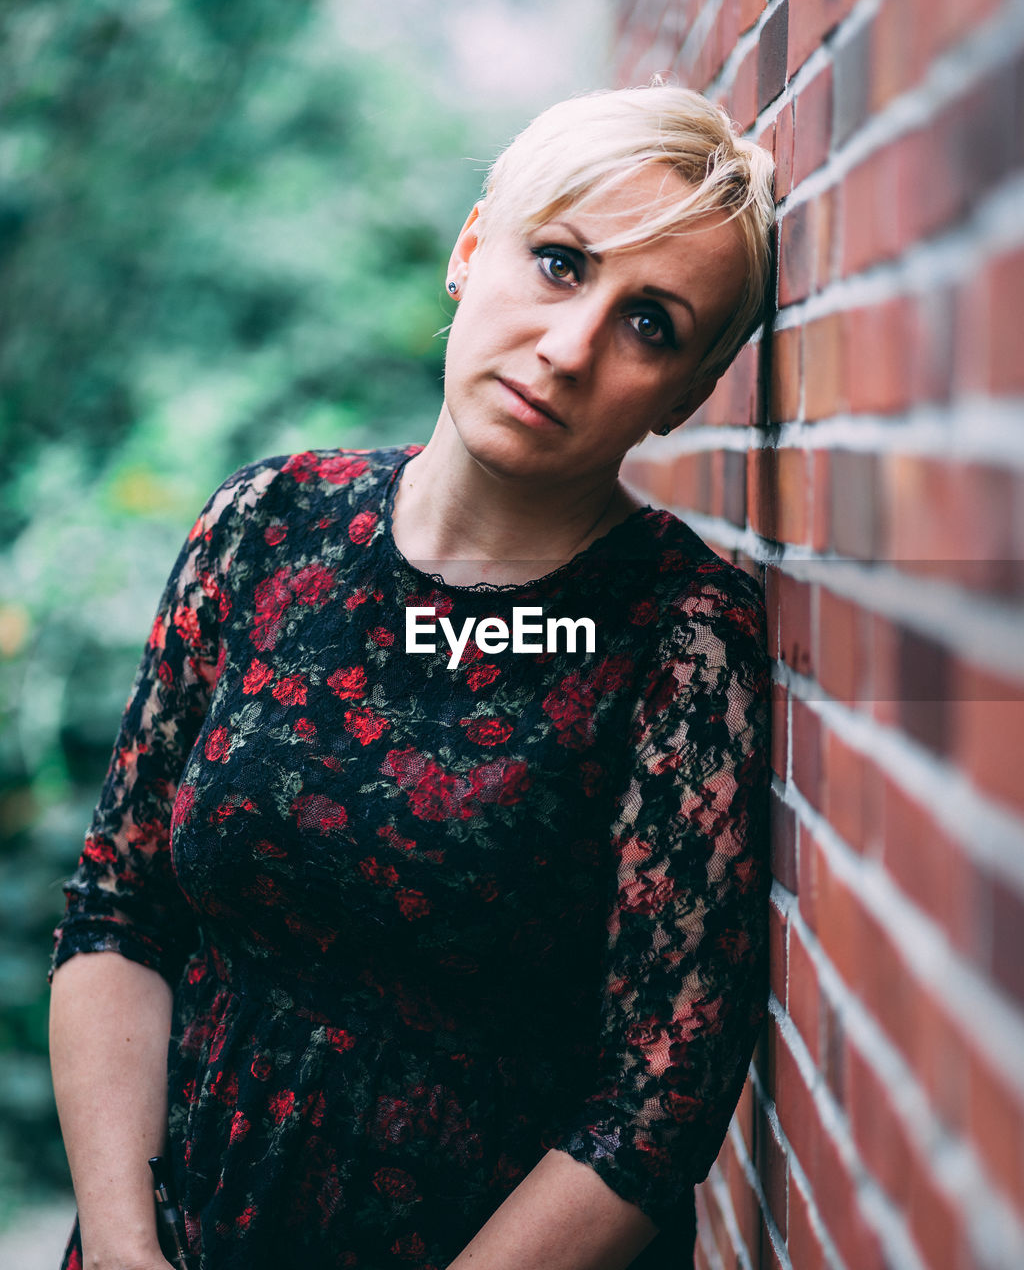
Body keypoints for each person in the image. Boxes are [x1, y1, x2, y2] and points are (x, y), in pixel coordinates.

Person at [48, 83, 776, 1270]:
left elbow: (656, 1102)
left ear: (688, 396)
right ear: (470, 246)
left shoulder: (681, 641)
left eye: (652, 323)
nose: (571, 345)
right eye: (557, 262)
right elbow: (117, 915)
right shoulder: (264, 524)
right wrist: (126, 1251)